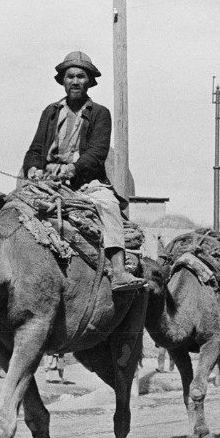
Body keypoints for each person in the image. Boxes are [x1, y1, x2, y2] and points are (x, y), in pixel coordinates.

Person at [23, 51, 144, 293]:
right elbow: (35, 149)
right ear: (63, 80)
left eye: (81, 76)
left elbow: (97, 153)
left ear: (89, 81)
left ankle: (119, 271)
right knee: (10, 210)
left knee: (109, 205)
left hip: (86, 184)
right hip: (48, 183)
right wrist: (33, 168)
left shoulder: (100, 113)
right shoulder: (50, 112)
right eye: (70, 76)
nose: (75, 81)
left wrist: (72, 169)